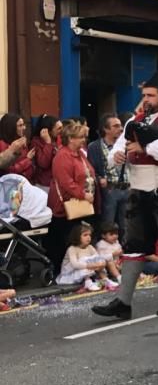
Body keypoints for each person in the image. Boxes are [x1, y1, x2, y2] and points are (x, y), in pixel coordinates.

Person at [92, 66, 158, 321]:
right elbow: (120, 147)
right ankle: (123, 302)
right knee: (133, 247)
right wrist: (119, 155)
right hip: (138, 190)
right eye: (145, 95)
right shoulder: (134, 121)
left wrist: (145, 146)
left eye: (151, 96)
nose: (146, 100)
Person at [46, 121, 99, 282]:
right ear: (70, 138)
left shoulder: (79, 154)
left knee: (77, 236)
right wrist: (84, 194)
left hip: (81, 203)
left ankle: (82, 270)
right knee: (65, 238)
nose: (84, 139)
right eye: (80, 137)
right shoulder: (62, 156)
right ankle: (62, 272)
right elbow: (66, 182)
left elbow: (88, 173)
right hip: (67, 205)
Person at [87, 114, 127, 233]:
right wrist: (99, 179)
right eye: (116, 126)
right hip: (109, 190)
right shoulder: (94, 147)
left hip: (127, 188)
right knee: (107, 225)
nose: (120, 129)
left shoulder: (125, 145)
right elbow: (90, 169)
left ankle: (125, 249)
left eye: (120, 126)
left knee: (126, 226)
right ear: (106, 129)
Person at [58, 222, 117, 291]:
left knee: (96, 259)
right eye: (85, 235)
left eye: (89, 235)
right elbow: (75, 265)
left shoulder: (90, 247)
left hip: (87, 270)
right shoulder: (72, 249)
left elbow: (98, 258)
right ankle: (88, 282)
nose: (88, 237)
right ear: (77, 236)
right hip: (71, 274)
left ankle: (105, 280)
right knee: (83, 260)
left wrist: (101, 264)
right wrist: (92, 265)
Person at [30, 115, 60, 192]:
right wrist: (48, 143)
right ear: (48, 130)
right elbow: (43, 163)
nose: (61, 131)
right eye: (58, 128)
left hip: (57, 183)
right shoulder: (36, 142)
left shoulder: (57, 140)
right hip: (44, 184)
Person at [0, 113, 35, 180]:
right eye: (20, 125)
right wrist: (28, 159)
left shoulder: (20, 140)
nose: (24, 128)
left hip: (23, 183)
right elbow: (9, 170)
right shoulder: (2, 144)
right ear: (11, 127)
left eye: (24, 124)